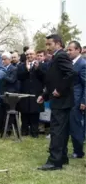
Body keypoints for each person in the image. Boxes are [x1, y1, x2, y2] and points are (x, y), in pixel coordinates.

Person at [37, 34, 75, 171]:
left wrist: (59, 90)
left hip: (62, 101)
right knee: (61, 131)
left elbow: (71, 73)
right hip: (59, 100)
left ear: (58, 44)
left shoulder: (61, 56)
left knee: (57, 131)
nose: (47, 47)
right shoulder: (56, 57)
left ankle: (54, 161)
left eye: (49, 44)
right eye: (46, 45)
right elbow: (54, 79)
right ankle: (62, 157)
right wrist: (45, 95)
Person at [17, 49, 45, 138]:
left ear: (35, 55)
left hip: (36, 93)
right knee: (24, 113)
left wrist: (37, 69)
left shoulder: (41, 65)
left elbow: (44, 77)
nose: (29, 56)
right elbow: (19, 77)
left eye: (31, 54)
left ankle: (34, 132)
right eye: (27, 54)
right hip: (24, 93)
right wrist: (26, 69)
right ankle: (24, 131)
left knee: (35, 114)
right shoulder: (21, 65)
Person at [66, 41, 86, 158]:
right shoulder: (70, 63)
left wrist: (84, 101)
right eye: (67, 50)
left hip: (77, 99)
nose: (68, 52)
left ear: (78, 50)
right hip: (68, 98)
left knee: (76, 126)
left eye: (70, 50)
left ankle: (78, 152)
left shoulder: (83, 64)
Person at [0, 52, 18, 134]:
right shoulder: (0, 69)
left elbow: (12, 80)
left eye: (4, 59)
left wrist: (2, 74)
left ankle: (8, 129)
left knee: (7, 111)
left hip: (9, 93)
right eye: (2, 59)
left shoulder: (14, 69)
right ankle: (0, 128)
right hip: (0, 92)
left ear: (9, 60)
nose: (3, 61)